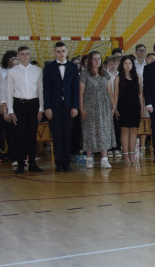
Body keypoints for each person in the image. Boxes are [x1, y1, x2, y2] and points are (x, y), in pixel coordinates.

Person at [42, 42, 80, 172]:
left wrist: (75, 106)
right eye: (58, 51)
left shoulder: (73, 67)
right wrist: (47, 107)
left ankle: (67, 163)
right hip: (54, 107)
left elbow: (76, 89)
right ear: (54, 53)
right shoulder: (49, 67)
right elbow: (46, 90)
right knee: (57, 135)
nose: (61, 53)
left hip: (69, 106)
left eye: (63, 51)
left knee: (67, 135)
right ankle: (59, 163)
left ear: (67, 51)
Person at [80, 50, 115, 168]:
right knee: (89, 131)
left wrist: (113, 106)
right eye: (94, 59)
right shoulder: (85, 74)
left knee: (104, 131)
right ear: (90, 61)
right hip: (89, 106)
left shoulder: (105, 73)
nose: (97, 61)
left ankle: (104, 159)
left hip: (104, 107)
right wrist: (81, 108)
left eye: (99, 59)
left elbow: (110, 92)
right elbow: (81, 92)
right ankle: (89, 158)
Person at [114, 55, 144, 165]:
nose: (128, 65)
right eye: (126, 63)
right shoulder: (118, 77)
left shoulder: (137, 76)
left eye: (130, 63)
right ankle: (125, 155)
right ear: (122, 65)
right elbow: (116, 94)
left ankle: (132, 154)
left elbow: (140, 92)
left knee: (134, 130)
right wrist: (115, 107)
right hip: (123, 106)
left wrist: (141, 106)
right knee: (124, 130)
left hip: (135, 106)